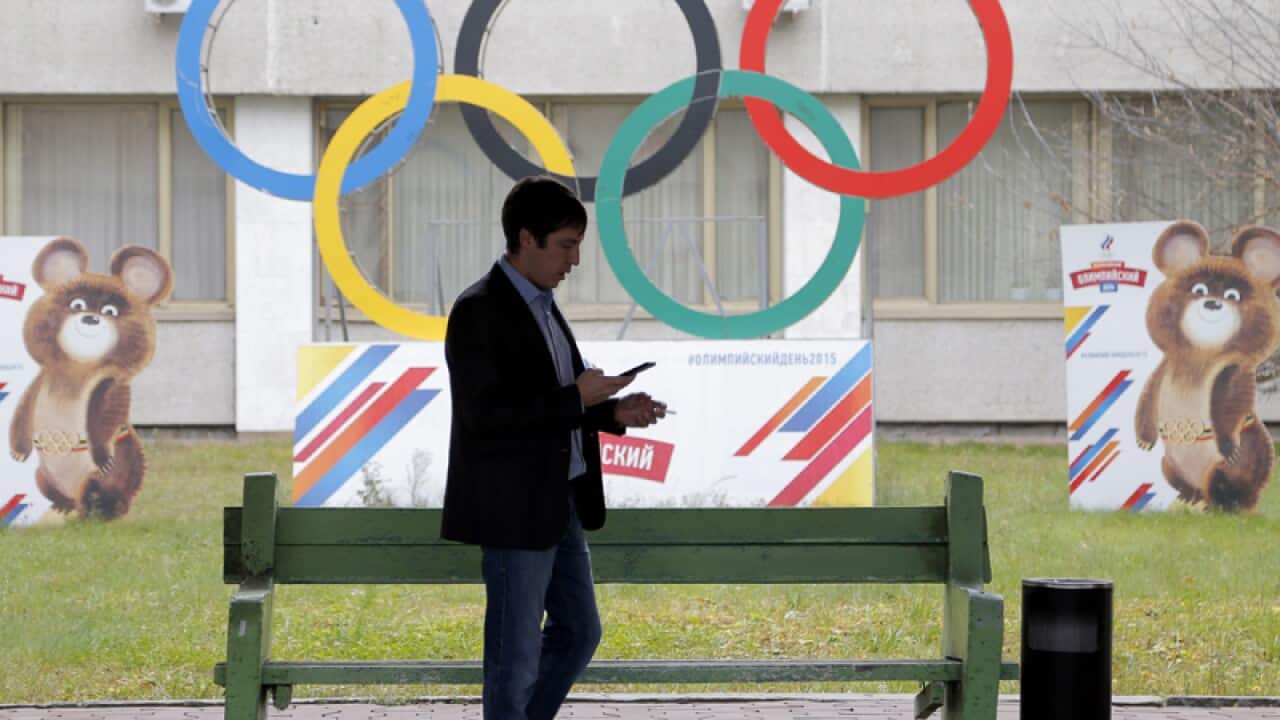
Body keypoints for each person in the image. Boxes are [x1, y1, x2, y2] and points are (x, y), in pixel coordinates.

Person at [441, 175, 669, 720]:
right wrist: (575, 398)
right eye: (566, 245)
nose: (575, 261)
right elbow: (486, 416)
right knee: (514, 658)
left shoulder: (543, 306)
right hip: (514, 511)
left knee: (579, 631)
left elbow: (551, 405)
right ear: (527, 238)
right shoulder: (478, 310)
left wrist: (611, 412)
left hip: (560, 501)